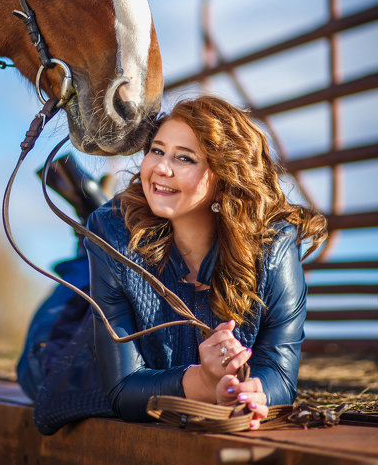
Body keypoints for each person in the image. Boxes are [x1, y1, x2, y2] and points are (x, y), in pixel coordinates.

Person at [21, 95, 327, 434]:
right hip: (71, 359)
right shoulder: (111, 231)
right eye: (156, 150)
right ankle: (86, 236)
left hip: (118, 263)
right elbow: (123, 388)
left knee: (96, 257)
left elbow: (280, 374)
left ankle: (87, 231)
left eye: (184, 158)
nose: (160, 168)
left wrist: (248, 392)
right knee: (72, 296)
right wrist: (202, 380)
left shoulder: (275, 248)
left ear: (224, 177)